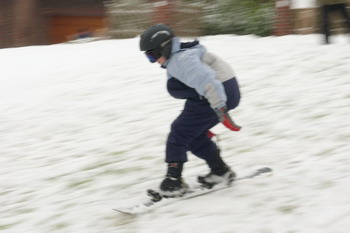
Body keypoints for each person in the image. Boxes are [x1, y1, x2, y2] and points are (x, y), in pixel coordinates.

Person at [139, 24, 241, 196]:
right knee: (192, 135)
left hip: (217, 93)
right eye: (148, 57)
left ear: (165, 47)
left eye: (153, 55)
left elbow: (208, 81)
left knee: (179, 132)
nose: (154, 60)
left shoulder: (182, 60)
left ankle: (173, 181)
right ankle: (220, 171)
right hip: (220, 92)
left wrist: (220, 108)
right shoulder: (179, 57)